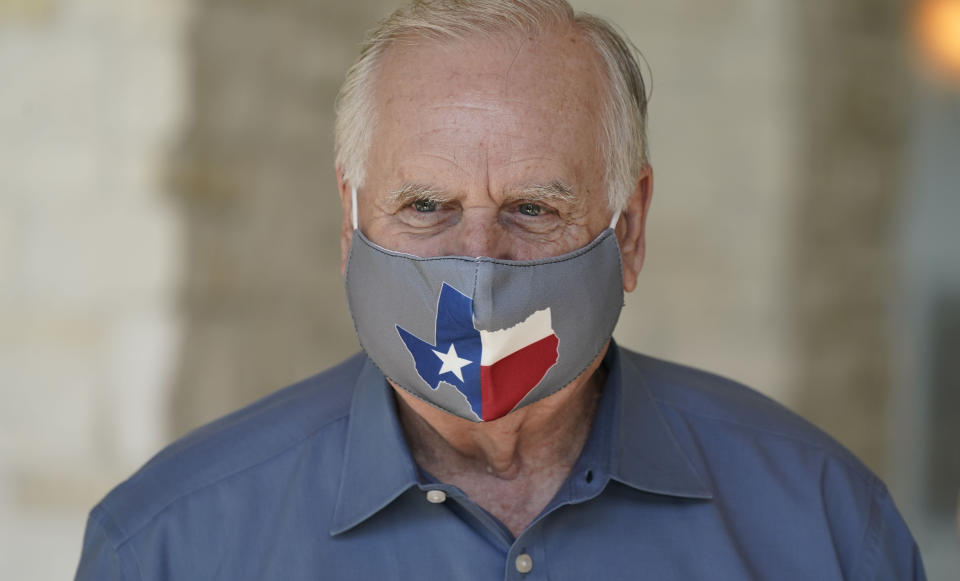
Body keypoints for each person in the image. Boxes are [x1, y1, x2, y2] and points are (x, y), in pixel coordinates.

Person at [75, 1, 925, 579]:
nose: (478, 260)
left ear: (627, 230)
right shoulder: (171, 543)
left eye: (533, 206)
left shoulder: (823, 524)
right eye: (426, 205)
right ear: (350, 220)